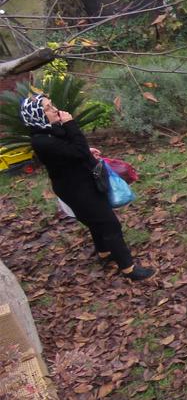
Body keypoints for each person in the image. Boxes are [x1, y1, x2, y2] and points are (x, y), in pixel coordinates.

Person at [23, 94, 153, 281]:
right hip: (76, 189)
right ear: (37, 115)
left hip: (81, 182)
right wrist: (71, 125)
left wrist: (86, 152)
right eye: (48, 108)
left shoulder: (49, 131)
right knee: (109, 224)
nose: (54, 109)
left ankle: (104, 253)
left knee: (95, 221)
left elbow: (71, 152)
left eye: (52, 105)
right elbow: (77, 150)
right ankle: (129, 269)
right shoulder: (42, 140)